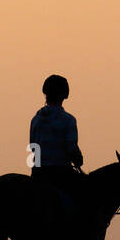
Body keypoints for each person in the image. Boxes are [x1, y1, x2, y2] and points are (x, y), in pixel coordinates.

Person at [29, 74, 84, 204]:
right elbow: (71, 149)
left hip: (38, 173)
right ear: (65, 95)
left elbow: (33, 147)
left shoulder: (35, 120)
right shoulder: (68, 120)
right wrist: (78, 159)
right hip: (60, 174)